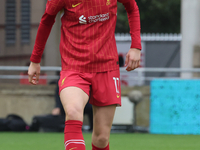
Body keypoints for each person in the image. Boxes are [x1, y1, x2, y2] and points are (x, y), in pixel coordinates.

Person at [28, 0, 141, 149]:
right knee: (73, 111)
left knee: (101, 138)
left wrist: (136, 46)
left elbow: (132, 7)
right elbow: (47, 20)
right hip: (74, 67)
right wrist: (35, 60)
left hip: (106, 67)